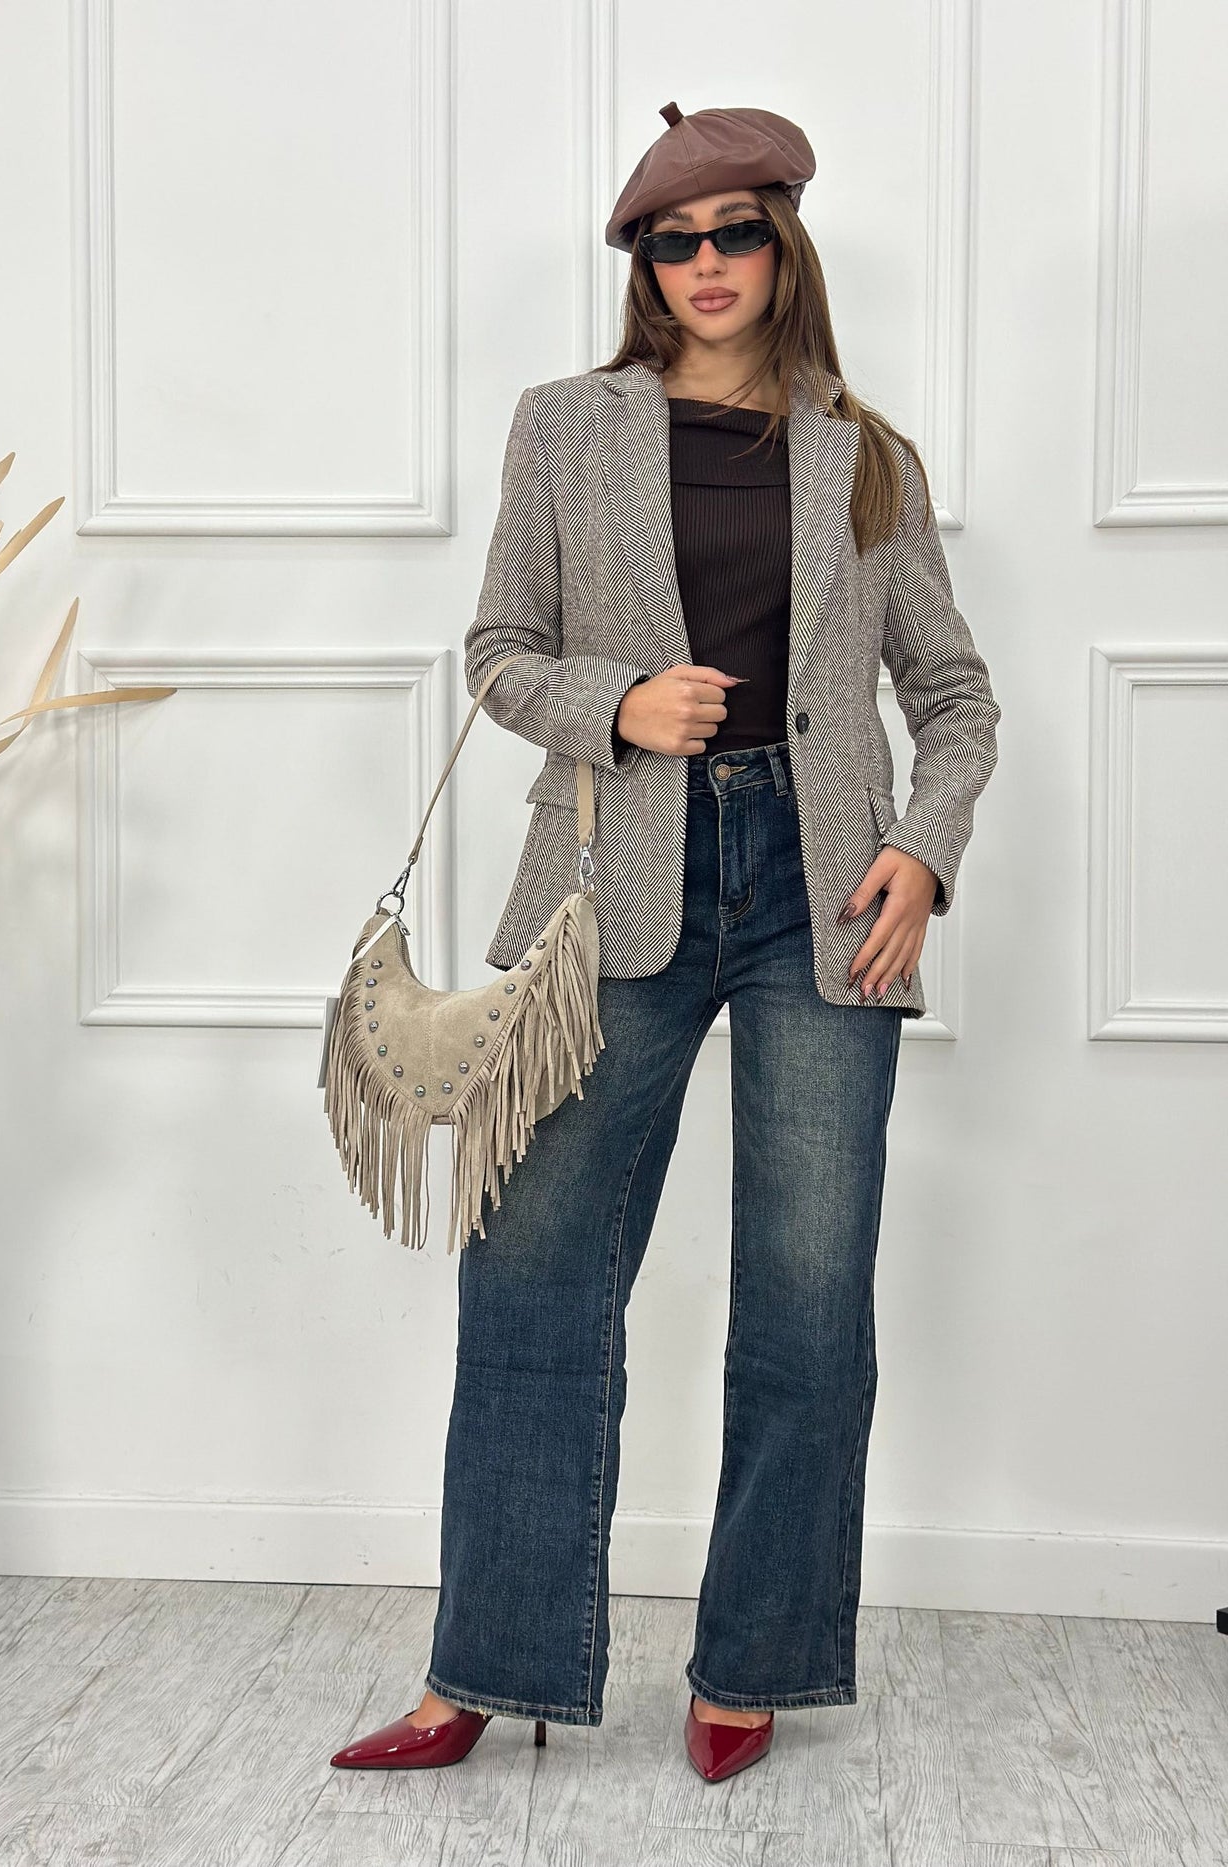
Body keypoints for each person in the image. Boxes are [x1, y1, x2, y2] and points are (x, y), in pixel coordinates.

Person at [331, 100, 1000, 1785]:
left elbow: (954, 694)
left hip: (822, 895)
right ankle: (482, 1666)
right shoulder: (566, 429)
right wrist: (618, 705)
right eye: (671, 242)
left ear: (783, 245)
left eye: (734, 233)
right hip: (610, 884)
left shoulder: (867, 454)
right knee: (534, 1274)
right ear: (643, 266)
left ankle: (754, 1658)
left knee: (806, 1297)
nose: (705, 264)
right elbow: (499, 650)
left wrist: (922, 851)